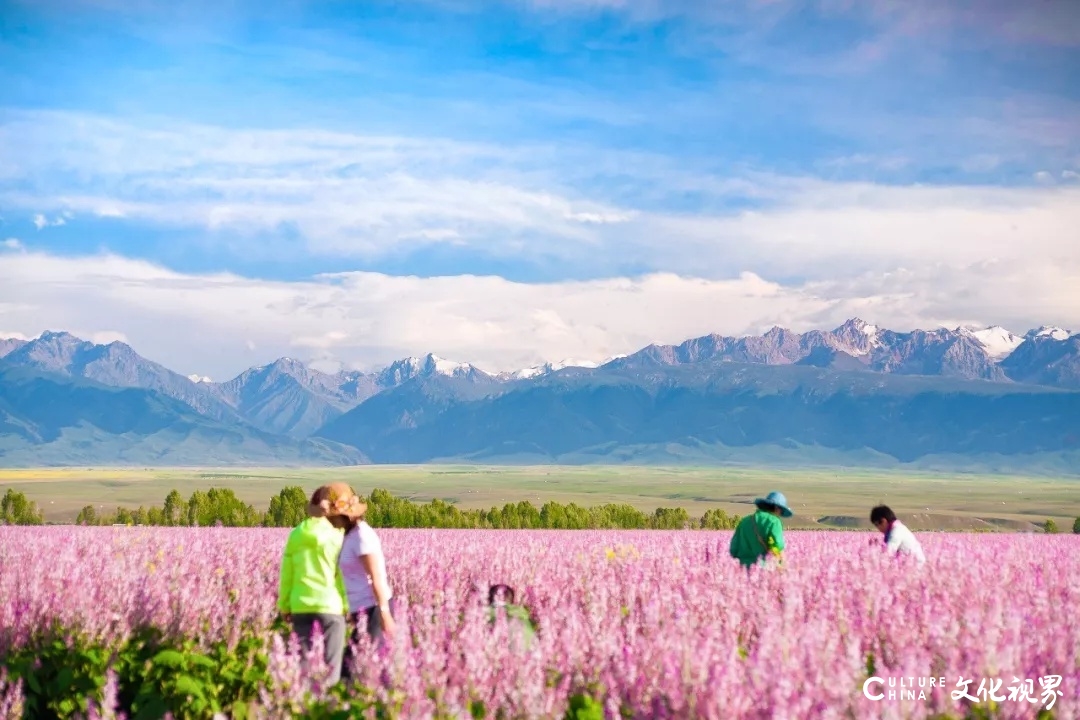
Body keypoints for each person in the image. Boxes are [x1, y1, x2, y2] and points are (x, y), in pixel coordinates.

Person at [277, 483, 358, 686]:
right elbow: (342, 574)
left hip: (300, 606)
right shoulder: (337, 536)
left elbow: (287, 575)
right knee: (331, 669)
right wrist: (348, 606)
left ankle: (304, 709)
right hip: (330, 608)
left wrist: (285, 606)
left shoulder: (296, 534)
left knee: (302, 667)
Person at [338, 491, 396, 679]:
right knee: (355, 666)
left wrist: (384, 614)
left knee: (365, 667)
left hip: (373, 610)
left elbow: (376, 578)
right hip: (359, 610)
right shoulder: (347, 535)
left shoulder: (362, 536)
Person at [729, 491, 792, 568]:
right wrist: (783, 565)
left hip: (743, 571)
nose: (780, 514)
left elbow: (733, 550)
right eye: (781, 511)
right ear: (776, 508)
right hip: (764, 570)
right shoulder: (774, 522)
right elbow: (776, 547)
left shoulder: (744, 521)